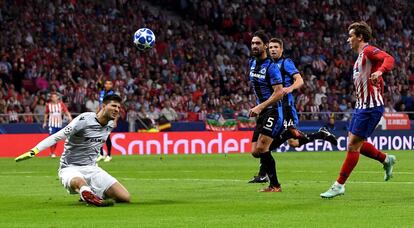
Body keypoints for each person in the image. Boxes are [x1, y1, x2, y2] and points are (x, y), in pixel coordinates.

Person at [320, 21, 396, 198]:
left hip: (371, 108)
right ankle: (386, 159)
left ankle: (339, 185)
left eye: (350, 36)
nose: (348, 40)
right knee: (354, 144)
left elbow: (389, 59)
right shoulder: (359, 58)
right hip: (361, 107)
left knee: (353, 146)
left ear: (360, 37)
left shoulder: (368, 51)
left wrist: (380, 72)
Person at [249, 38, 338, 183]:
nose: (273, 50)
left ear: (281, 49)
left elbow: (300, 80)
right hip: (273, 107)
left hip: (285, 107)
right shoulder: (266, 64)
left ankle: (264, 173)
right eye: (270, 47)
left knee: (290, 143)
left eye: (276, 47)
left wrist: (290, 88)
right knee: (273, 141)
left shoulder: (286, 63)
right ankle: (320, 134)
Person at [15, 94, 130, 206]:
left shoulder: (110, 124)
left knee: (124, 197)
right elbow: (58, 136)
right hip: (70, 167)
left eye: (119, 107)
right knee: (79, 182)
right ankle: (86, 192)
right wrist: (34, 151)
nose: (117, 109)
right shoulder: (84, 119)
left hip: (92, 168)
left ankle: (90, 193)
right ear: (103, 106)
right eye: (114, 106)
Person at [248, 31, 286, 192]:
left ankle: (275, 185)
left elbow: (279, 92)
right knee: (255, 152)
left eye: (258, 43)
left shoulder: (271, 67)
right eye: (253, 43)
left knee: (263, 149)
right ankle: (286, 135)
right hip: (262, 112)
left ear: (265, 46)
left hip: (272, 111)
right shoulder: (252, 63)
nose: (255, 46)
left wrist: (260, 106)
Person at [42, 92, 72, 157]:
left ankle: (52, 152)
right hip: (51, 124)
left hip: (58, 124)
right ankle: (52, 152)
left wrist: (70, 117)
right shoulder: (48, 105)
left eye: (55, 97)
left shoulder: (61, 104)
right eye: (53, 97)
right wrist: (44, 122)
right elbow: (46, 114)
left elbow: (66, 111)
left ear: (57, 98)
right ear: (51, 98)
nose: (54, 98)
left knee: (56, 139)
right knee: (51, 137)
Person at [96, 80, 116, 162]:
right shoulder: (102, 92)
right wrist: (96, 113)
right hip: (101, 116)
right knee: (99, 135)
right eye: (106, 83)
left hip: (108, 117)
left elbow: (115, 107)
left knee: (107, 136)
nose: (108, 85)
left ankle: (109, 155)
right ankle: (101, 154)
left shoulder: (112, 95)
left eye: (109, 83)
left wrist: (115, 120)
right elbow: (100, 104)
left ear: (112, 85)